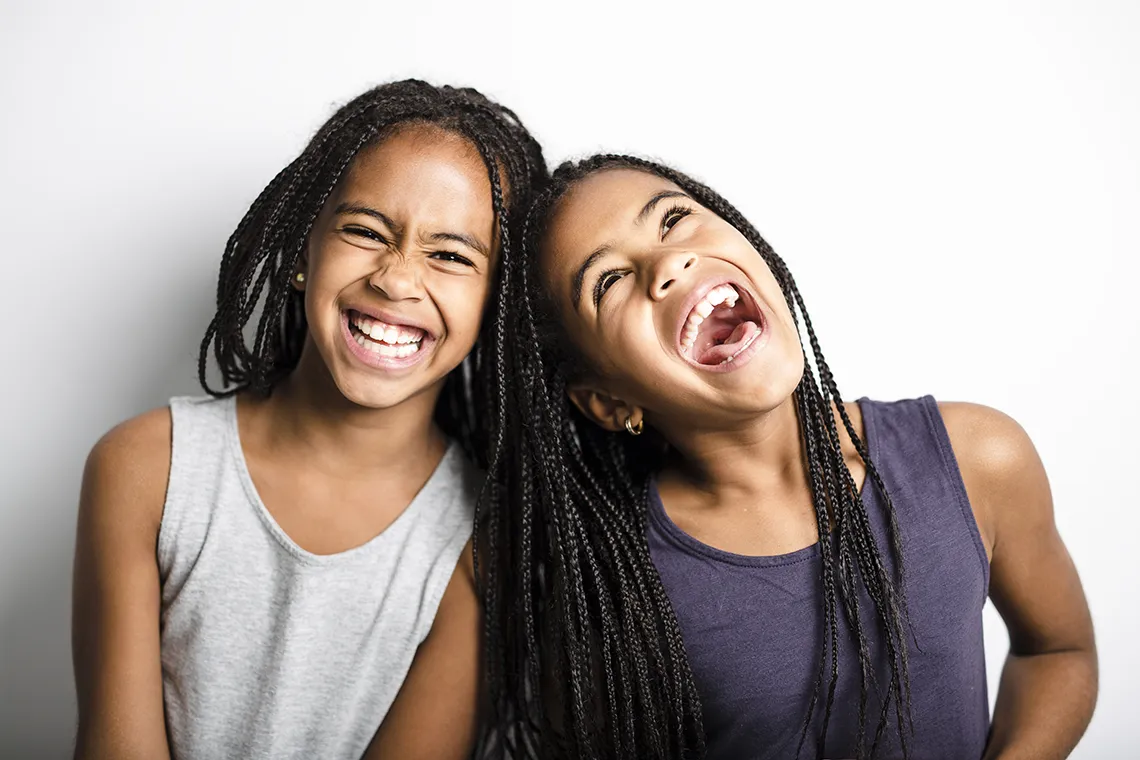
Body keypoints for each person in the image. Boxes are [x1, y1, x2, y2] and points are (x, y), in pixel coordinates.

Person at [478, 155, 1097, 759]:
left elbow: (1058, 652)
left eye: (672, 220)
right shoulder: (613, 588)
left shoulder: (976, 458)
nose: (668, 262)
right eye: (608, 281)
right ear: (609, 401)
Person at [71, 79, 545, 760]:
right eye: (364, 231)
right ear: (302, 253)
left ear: (495, 304)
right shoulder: (146, 468)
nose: (397, 279)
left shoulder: (482, 543)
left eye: (450, 255)